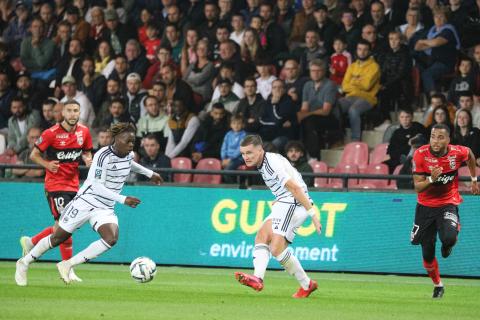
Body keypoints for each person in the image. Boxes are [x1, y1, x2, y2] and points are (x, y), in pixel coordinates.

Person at [15, 122, 162, 286]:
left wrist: (150, 173)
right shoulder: (102, 156)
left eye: (132, 142)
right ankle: (24, 262)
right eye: (127, 141)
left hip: (105, 207)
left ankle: (68, 264)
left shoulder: (128, 155)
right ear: (116, 139)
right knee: (58, 238)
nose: (130, 145)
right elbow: (97, 187)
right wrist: (123, 199)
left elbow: (130, 164)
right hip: (85, 202)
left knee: (111, 238)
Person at [234, 134, 321, 298]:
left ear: (260, 150)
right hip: (286, 201)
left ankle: (303, 284)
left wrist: (313, 215)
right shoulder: (266, 161)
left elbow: (295, 188)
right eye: (243, 154)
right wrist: (279, 197)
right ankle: (302, 284)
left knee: (276, 248)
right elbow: (294, 176)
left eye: (250, 153)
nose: (246, 157)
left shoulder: (271, 164)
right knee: (263, 236)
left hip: (294, 202)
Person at [19, 101, 93, 283]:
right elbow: (33, 155)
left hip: (74, 185)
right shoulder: (51, 133)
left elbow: (87, 152)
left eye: (76, 110)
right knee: (66, 227)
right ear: (63, 113)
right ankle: (67, 267)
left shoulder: (84, 132)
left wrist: (87, 159)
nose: (73, 114)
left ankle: (32, 242)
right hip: (55, 185)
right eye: (69, 110)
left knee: (62, 227)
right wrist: (47, 164)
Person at [411, 123, 479, 298]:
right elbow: (418, 187)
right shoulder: (420, 154)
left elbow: (470, 154)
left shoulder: (457, 152)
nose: (435, 141)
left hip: (447, 202)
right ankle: (438, 285)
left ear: (448, 140)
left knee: (449, 238)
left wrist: (473, 179)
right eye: (433, 136)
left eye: (440, 137)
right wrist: (432, 180)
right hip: (425, 207)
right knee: (427, 254)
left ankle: (450, 238)